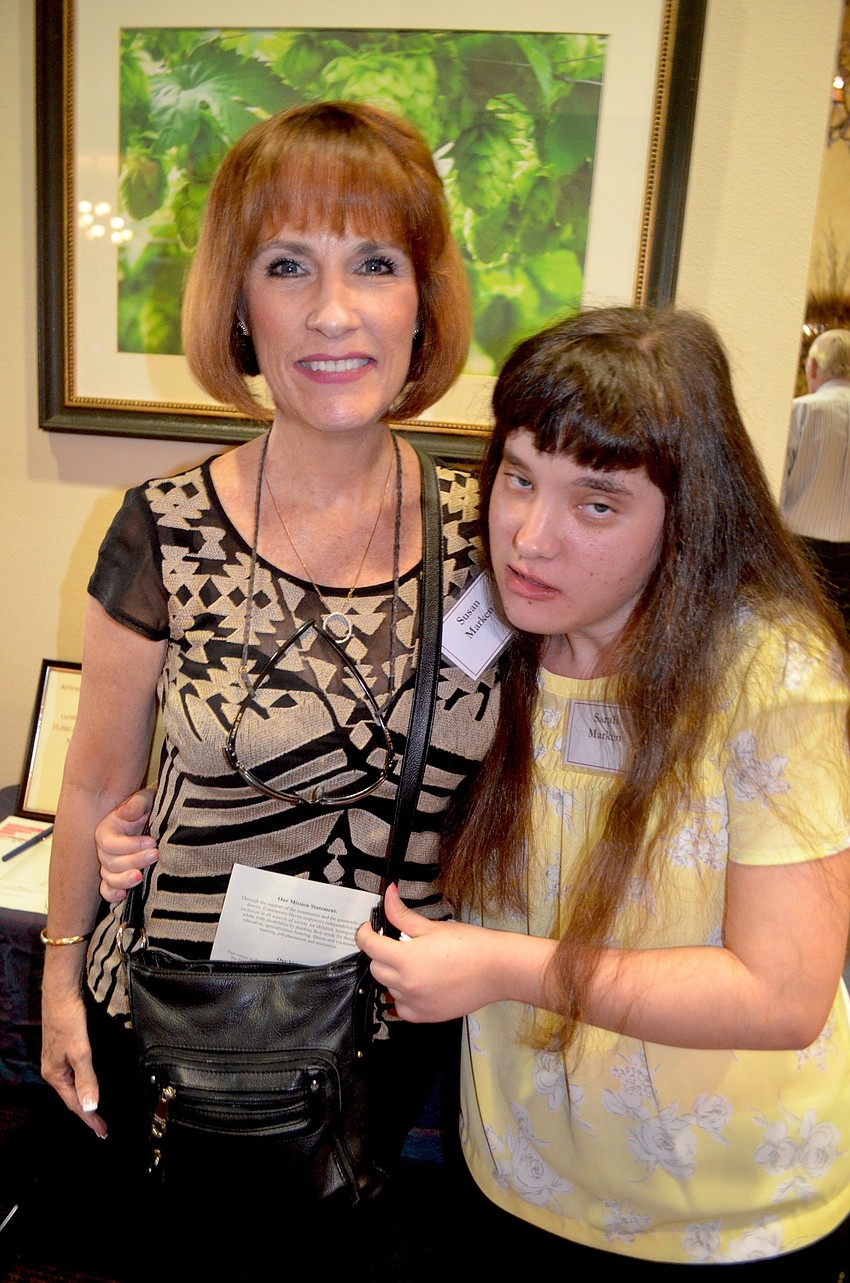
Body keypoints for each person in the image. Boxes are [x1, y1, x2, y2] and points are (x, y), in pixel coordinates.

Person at [39, 101, 500, 1276]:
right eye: (287, 264)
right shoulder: (164, 526)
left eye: (374, 264)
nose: (333, 310)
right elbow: (94, 775)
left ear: (424, 303)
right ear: (240, 306)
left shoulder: (495, 533)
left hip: (391, 1039)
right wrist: (55, 974)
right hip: (179, 1024)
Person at [354, 307, 850, 1275]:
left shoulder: (769, 673)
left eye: (596, 503)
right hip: (514, 1174)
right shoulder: (493, 627)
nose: (529, 539)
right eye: (517, 477)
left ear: (688, 511)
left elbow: (782, 991)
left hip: (713, 1214)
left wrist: (502, 966)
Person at [781, 327, 850, 630]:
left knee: (800, 637)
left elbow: (775, 484)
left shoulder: (799, 412)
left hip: (801, 550)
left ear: (813, 367)